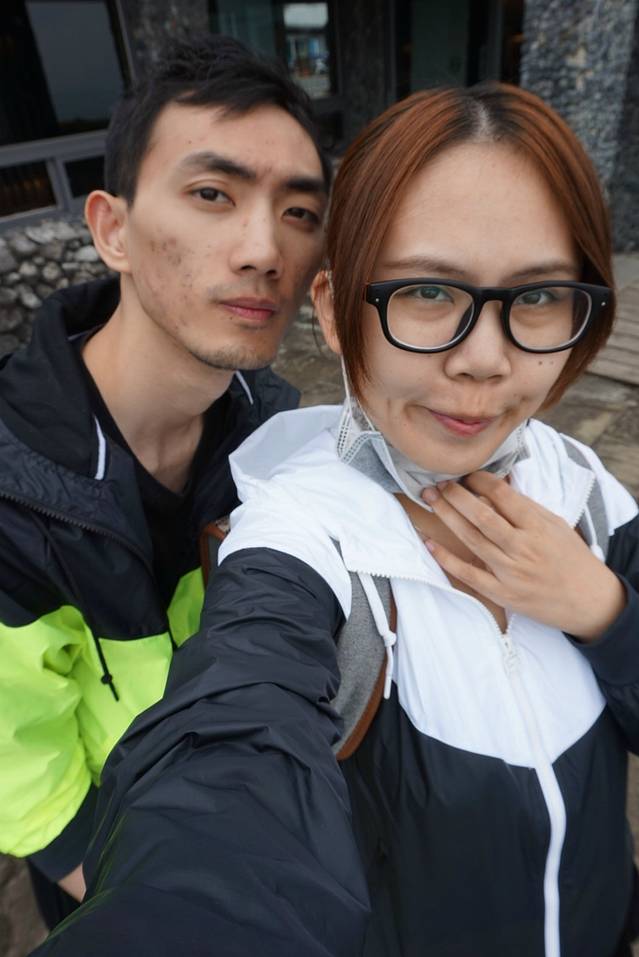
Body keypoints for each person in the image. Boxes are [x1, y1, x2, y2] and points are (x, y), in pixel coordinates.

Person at [32, 84, 639, 957]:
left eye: (539, 296)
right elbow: (234, 749)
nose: (485, 360)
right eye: (426, 291)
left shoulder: (584, 487)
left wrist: (607, 613)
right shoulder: (296, 534)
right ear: (328, 307)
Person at [0, 33, 329, 929]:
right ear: (112, 229)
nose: (264, 248)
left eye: (300, 211)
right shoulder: (15, 499)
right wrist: (144, 899)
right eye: (213, 194)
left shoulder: (276, 435)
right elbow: (21, 767)